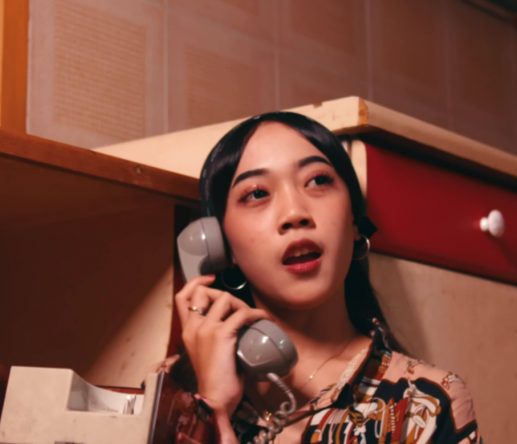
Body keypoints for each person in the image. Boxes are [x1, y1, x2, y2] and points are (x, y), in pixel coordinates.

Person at [170, 112, 483, 444]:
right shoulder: (168, 391)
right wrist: (209, 405)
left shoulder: (426, 404)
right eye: (257, 194)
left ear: (354, 221)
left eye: (318, 180)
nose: (295, 214)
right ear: (221, 244)